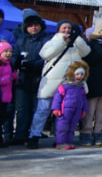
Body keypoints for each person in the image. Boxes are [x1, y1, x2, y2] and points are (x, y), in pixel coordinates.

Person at [29, 21, 91, 150]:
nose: (67, 30)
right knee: (43, 110)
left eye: (69, 28)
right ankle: (34, 136)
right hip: (51, 81)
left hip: (70, 84)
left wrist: (77, 39)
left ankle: (60, 139)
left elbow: (86, 52)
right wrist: (62, 42)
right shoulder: (52, 41)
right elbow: (45, 54)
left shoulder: (76, 44)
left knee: (63, 113)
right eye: (64, 28)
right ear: (59, 29)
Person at [9, 10, 51, 145]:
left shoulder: (47, 39)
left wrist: (34, 65)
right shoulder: (21, 40)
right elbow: (14, 55)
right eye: (30, 25)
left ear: (40, 25)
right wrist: (17, 62)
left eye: (36, 24)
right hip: (23, 79)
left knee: (36, 109)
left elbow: (48, 58)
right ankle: (20, 135)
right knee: (21, 109)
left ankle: (33, 135)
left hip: (40, 79)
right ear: (26, 27)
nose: (34, 27)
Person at [51, 61, 90, 150]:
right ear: (72, 74)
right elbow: (57, 97)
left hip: (77, 109)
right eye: (77, 74)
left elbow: (83, 99)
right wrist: (56, 108)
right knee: (63, 126)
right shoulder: (65, 86)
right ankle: (60, 142)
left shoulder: (81, 87)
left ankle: (68, 141)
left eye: (81, 74)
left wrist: (84, 109)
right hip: (65, 110)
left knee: (72, 126)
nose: (79, 76)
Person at [0, 41, 12, 146]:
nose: (8, 53)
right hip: (1, 96)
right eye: (5, 51)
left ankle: (5, 138)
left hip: (6, 97)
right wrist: (9, 78)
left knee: (5, 118)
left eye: (10, 51)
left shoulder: (9, 64)